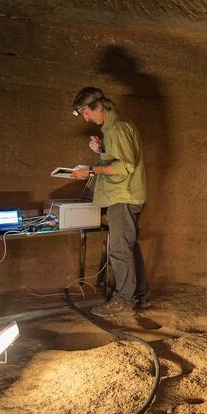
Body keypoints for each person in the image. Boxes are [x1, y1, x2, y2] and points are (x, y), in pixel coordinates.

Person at [69, 87, 149, 316]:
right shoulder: (113, 127)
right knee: (128, 247)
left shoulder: (118, 127)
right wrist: (103, 148)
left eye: (85, 112)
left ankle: (124, 301)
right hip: (123, 195)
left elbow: (125, 167)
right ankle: (140, 295)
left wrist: (91, 170)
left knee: (120, 250)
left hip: (122, 197)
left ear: (100, 107)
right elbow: (121, 157)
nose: (85, 118)